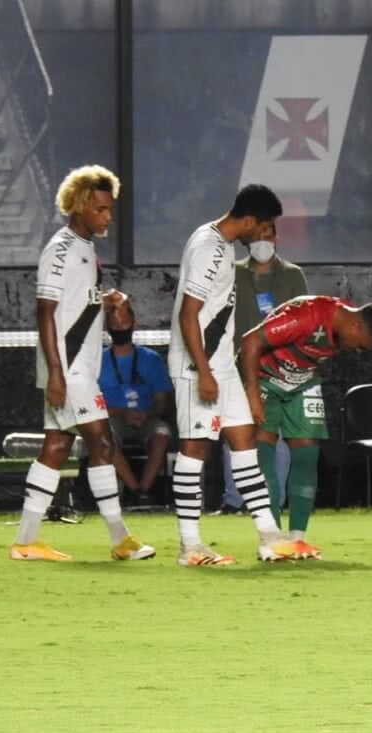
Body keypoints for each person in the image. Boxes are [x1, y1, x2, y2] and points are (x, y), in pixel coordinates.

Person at [10, 164, 155, 562]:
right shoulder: (60, 250)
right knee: (103, 443)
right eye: (101, 209)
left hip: (76, 368)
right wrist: (56, 374)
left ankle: (25, 542)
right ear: (78, 205)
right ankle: (120, 539)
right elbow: (45, 312)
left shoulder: (85, 249)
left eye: (110, 209)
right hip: (69, 369)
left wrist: (102, 301)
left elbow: (73, 305)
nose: (107, 216)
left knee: (57, 446)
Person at [167, 183, 288, 566]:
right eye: (264, 227)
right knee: (194, 448)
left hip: (221, 364)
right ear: (249, 220)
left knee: (244, 441)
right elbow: (189, 314)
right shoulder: (209, 248)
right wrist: (202, 371)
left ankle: (270, 537)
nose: (264, 235)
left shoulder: (215, 242)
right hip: (197, 366)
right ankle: (189, 545)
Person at [240, 296, 372, 558]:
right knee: (264, 454)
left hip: (303, 381)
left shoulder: (344, 323)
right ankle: (270, 538)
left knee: (307, 454)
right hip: (264, 379)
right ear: (355, 326)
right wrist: (252, 393)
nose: (357, 351)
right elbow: (250, 341)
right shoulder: (307, 315)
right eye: (361, 346)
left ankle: (297, 539)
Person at [215, 237, 308, 515]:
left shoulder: (292, 274)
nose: (262, 241)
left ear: (276, 237)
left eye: (269, 233)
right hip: (236, 365)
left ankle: (273, 501)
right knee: (233, 432)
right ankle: (233, 501)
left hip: (281, 367)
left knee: (276, 434)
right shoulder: (231, 272)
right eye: (257, 234)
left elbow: (303, 320)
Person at [99, 301, 173, 503]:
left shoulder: (151, 358)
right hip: (112, 417)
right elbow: (92, 403)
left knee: (161, 434)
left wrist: (148, 415)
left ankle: (145, 489)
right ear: (107, 328)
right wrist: (121, 413)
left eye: (124, 321)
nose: (120, 326)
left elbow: (161, 400)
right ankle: (133, 489)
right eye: (114, 322)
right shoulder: (97, 360)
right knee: (104, 437)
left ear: (134, 324)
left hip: (145, 417)